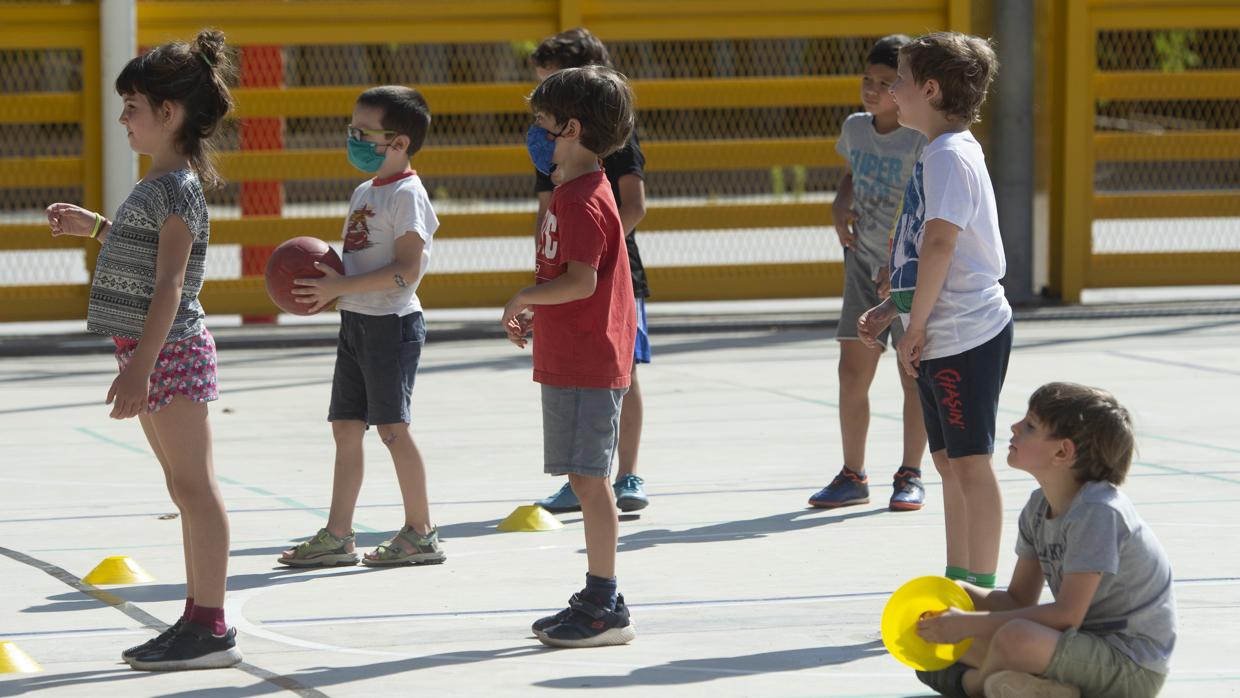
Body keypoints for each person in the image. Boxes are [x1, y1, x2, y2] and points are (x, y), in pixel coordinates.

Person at [45, 29, 240, 670]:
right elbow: (146, 253)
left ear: (169, 113)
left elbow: (172, 282)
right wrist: (96, 226)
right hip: (150, 350)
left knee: (195, 487)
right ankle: (194, 616)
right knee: (181, 487)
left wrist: (141, 369)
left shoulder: (176, 186)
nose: (124, 117)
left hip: (170, 351)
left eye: (132, 105)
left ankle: (210, 626)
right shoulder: (157, 184)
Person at [858, 32, 1012, 589]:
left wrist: (915, 325)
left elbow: (942, 245)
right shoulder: (940, 150)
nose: (892, 90)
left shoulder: (949, 155)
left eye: (899, 80)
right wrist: (893, 310)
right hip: (940, 328)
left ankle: (982, 587)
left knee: (970, 463)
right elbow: (925, 254)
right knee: (948, 464)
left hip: (963, 332)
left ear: (929, 88)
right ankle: (957, 579)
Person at [915, 383, 1176, 698]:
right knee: (929, 649)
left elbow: (1067, 615)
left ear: (1062, 452)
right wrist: (957, 596)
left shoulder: (1097, 511)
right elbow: (1018, 600)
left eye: (1029, 426)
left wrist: (968, 625)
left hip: (1131, 666)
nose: (1014, 427)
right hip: (1074, 648)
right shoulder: (1039, 507)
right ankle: (1047, 690)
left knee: (1015, 637)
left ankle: (974, 685)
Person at [278, 85, 444, 569]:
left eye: (362, 132)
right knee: (346, 428)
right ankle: (338, 534)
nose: (352, 138)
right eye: (350, 129)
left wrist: (341, 289)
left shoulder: (408, 196)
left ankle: (422, 532)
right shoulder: (365, 191)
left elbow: (407, 271)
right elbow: (356, 265)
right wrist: (333, 289)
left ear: (398, 143)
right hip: (357, 324)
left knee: (393, 429)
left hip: (391, 326)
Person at [503, 65, 638, 648]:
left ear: (573, 128)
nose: (536, 135)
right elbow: (572, 278)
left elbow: (582, 282)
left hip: (589, 358)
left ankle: (605, 600)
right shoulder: (570, 190)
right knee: (582, 480)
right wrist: (540, 307)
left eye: (544, 125)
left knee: (590, 481)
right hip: (570, 351)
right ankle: (597, 592)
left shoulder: (585, 198)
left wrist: (527, 295)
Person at [529, 28, 651, 514]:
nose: (541, 110)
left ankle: (625, 472)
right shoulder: (554, 149)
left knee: (622, 373)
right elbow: (547, 214)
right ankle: (583, 474)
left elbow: (633, 206)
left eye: (552, 82)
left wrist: (592, 251)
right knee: (579, 379)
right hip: (571, 272)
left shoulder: (607, 141)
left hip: (617, 275)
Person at [809, 34, 929, 511]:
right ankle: (852, 473)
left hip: (905, 273)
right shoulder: (856, 128)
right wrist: (841, 199)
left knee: (911, 372)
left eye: (886, 82)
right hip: (861, 266)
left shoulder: (921, 138)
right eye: (868, 79)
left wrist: (898, 261)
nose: (873, 89)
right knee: (851, 371)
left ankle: (911, 472)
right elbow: (853, 172)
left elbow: (929, 207)